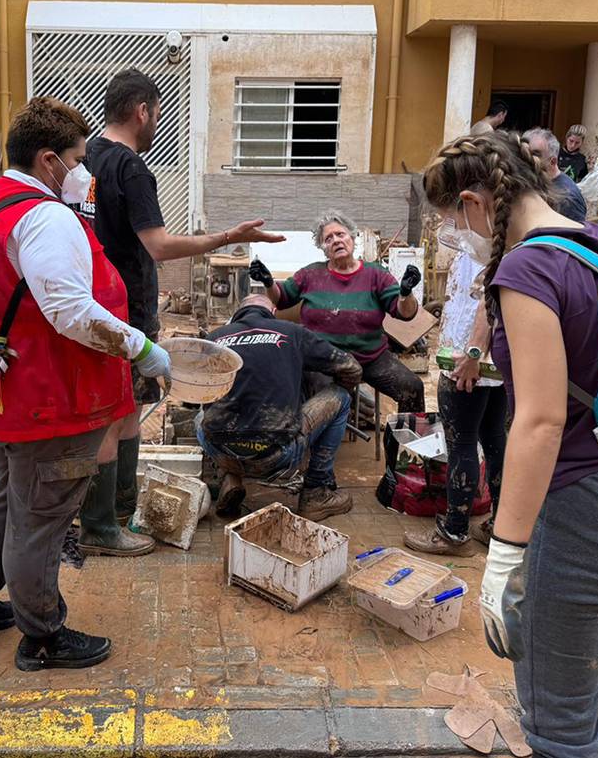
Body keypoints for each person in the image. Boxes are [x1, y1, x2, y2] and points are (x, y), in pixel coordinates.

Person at [421, 131, 598, 758]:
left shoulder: (527, 266)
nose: (453, 236)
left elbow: (538, 423)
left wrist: (506, 554)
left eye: (450, 222)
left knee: (560, 722)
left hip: (585, 522)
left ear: (474, 203)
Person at [0, 97, 173, 672]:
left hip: (9, 389)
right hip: (52, 400)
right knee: (40, 518)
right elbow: (71, 310)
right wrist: (142, 347)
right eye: (76, 159)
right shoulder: (44, 216)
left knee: (3, 495)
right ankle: (42, 635)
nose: (84, 171)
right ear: (49, 160)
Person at [77, 68, 284, 557]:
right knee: (113, 416)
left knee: (124, 412)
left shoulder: (83, 160)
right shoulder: (130, 168)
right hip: (123, 309)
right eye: (155, 114)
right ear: (141, 111)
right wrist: (229, 237)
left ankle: (120, 513)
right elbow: (160, 245)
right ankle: (100, 526)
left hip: (93, 303)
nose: (155, 125)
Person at [196, 295, 362, 521]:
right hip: (277, 455)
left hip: (220, 450)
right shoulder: (291, 332)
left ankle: (229, 476)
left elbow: (192, 389)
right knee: (341, 398)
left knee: (201, 414)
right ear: (272, 311)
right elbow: (351, 367)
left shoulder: (214, 339)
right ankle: (316, 492)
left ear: (238, 313)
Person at [250, 210, 426, 414]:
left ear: (352, 237)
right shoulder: (311, 273)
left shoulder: (375, 273)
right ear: (324, 249)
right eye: (328, 238)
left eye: (340, 234)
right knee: (323, 404)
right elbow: (281, 299)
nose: (336, 241)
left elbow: (405, 313)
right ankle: (324, 441)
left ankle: (407, 441)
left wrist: (405, 293)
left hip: (370, 357)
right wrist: (268, 282)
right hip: (322, 359)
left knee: (413, 387)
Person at [403, 247, 506, 556]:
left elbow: (486, 304)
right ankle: (500, 527)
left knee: (462, 444)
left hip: (465, 362)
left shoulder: (486, 247)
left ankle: (455, 531)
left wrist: (473, 353)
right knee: (495, 440)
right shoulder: (506, 243)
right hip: (495, 362)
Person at [525, 127, 586, 222]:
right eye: (524, 154)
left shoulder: (568, 198)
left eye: (535, 155)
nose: (526, 160)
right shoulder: (531, 183)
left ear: (553, 161)